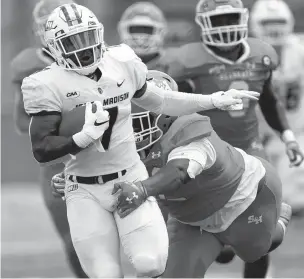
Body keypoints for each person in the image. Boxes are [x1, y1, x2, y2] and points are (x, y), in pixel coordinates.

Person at [21, 3, 258, 278]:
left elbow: (162, 100)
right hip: (84, 189)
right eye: (71, 42)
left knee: (152, 263)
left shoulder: (121, 61)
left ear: (99, 34)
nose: (83, 48)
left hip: (130, 176)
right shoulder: (46, 84)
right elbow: (42, 149)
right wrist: (83, 137)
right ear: (54, 47)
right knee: (105, 274)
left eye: (86, 37)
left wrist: (212, 100)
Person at [156, 0, 304, 277]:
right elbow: (172, 106)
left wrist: (288, 137)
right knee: (221, 250)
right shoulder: (185, 61)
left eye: (231, 18)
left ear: (244, 18)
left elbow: (269, 101)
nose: (226, 26)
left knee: (261, 238)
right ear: (203, 24)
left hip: (250, 147)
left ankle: (273, 225)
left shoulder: (261, 54)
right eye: (218, 20)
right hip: (207, 150)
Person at [110, 71, 292, 278]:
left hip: (246, 198)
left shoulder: (188, 127)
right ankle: (219, 243)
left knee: (255, 250)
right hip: (190, 216)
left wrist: (142, 189)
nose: (131, 128)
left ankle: (280, 221)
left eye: (139, 118)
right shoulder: (118, 142)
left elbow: (179, 171)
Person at [10, 0, 87, 277]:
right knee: (70, 236)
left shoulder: (93, 57)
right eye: (45, 26)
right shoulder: (28, 65)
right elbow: (21, 121)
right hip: (57, 164)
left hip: (97, 157)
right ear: (36, 30)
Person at [250, 0, 304, 216]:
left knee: (295, 200)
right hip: (259, 136)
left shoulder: (299, 51)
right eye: (268, 21)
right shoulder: (247, 52)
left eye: (279, 21)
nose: (274, 27)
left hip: (297, 133)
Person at [117, 1, 194, 92]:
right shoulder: (111, 64)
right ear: (122, 30)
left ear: (161, 32)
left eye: (147, 30)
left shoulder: (177, 66)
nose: (140, 37)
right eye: (135, 29)